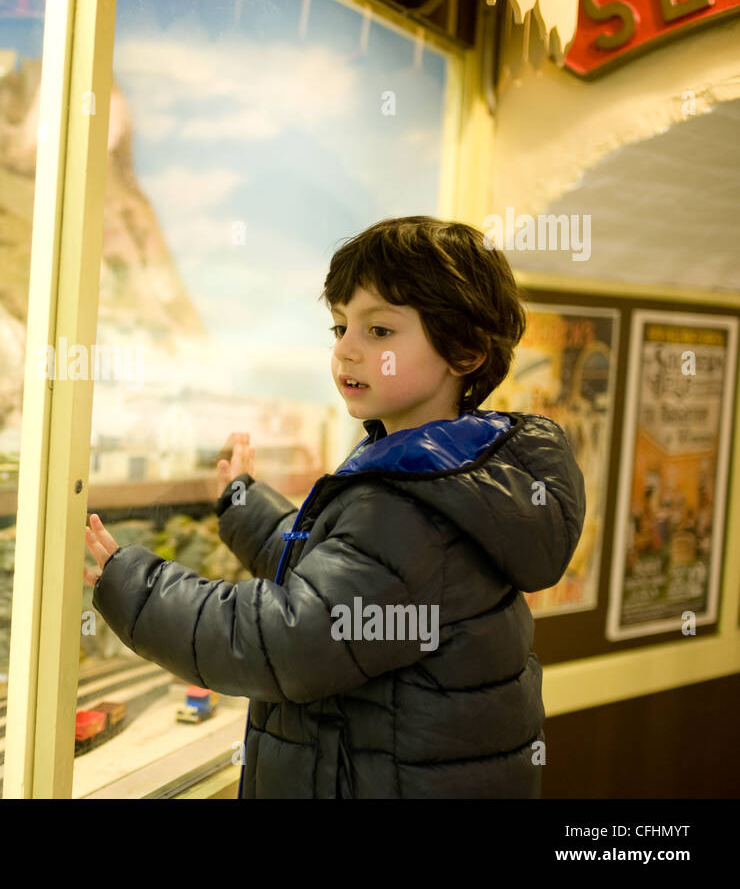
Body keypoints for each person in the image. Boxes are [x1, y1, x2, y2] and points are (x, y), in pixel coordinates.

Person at [84, 215, 586, 798]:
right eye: (341, 326)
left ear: (466, 349)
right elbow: (333, 578)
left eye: (379, 332)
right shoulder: (451, 472)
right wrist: (244, 505)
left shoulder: (412, 503)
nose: (346, 350)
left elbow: (286, 639)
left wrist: (135, 586)